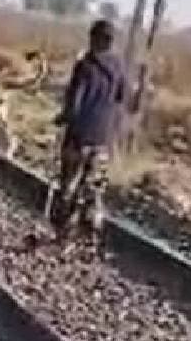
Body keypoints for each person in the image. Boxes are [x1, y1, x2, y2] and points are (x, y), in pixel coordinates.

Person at [49, 19, 138, 248]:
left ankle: (64, 236)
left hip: (79, 137)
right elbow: (124, 98)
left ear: (93, 39)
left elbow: (74, 103)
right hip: (103, 138)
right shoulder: (119, 67)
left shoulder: (85, 65)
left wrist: (63, 119)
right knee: (93, 188)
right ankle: (91, 234)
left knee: (68, 185)